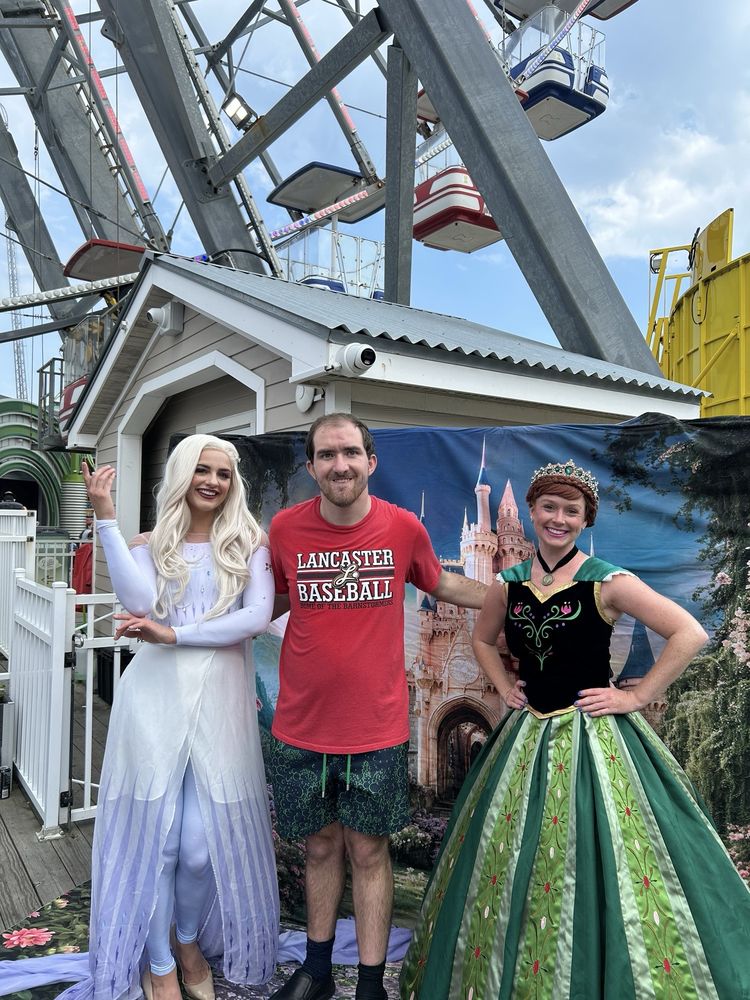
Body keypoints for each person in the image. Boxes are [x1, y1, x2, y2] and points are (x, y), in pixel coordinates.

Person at [400, 458, 750, 999]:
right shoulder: (507, 584)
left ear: (585, 519)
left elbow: (688, 633)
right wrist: (502, 682)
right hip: (522, 740)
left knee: (601, 854)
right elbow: (479, 639)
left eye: (572, 510)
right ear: (532, 514)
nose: (558, 518)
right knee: (508, 853)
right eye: (549, 507)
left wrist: (635, 695)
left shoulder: (607, 582)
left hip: (594, 739)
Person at [267, 413, 489, 1000]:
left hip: (375, 725)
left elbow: (444, 585)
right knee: (317, 845)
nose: (339, 465)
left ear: (371, 461)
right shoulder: (286, 531)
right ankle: (316, 971)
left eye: (349, 453)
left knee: (368, 849)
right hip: (301, 724)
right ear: (311, 466)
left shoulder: (402, 528)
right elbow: (259, 603)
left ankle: (369, 983)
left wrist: (524, 594)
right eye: (325, 455)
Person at [66, 434, 278, 1000]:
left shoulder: (250, 544)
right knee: (158, 840)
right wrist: (105, 517)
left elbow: (255, 617)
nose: (213, 481)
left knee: (198, 846)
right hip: (155, 699)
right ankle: (160, 961)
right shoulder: (150, 543)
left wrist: (174, 633)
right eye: (202, 470)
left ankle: (188, 939)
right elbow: (137, 602)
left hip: (221, 703)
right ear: (183, 474)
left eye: (224, 473)